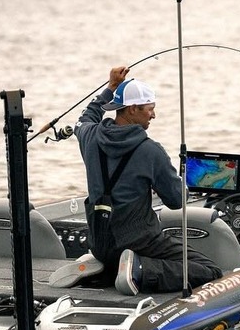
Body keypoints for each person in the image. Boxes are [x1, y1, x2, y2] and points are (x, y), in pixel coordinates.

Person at [72, 66, 222, 295]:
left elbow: (84, 118)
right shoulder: (151, 152)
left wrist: (110, 87)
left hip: (101, 244)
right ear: (132, 109)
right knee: (209, 269)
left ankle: (108, 267)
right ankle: (139, 270)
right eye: (150, 109)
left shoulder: (90, 136)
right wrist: (181, 179)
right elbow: (176, 201)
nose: (154, 115)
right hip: (139, 242)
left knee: (117, 249)